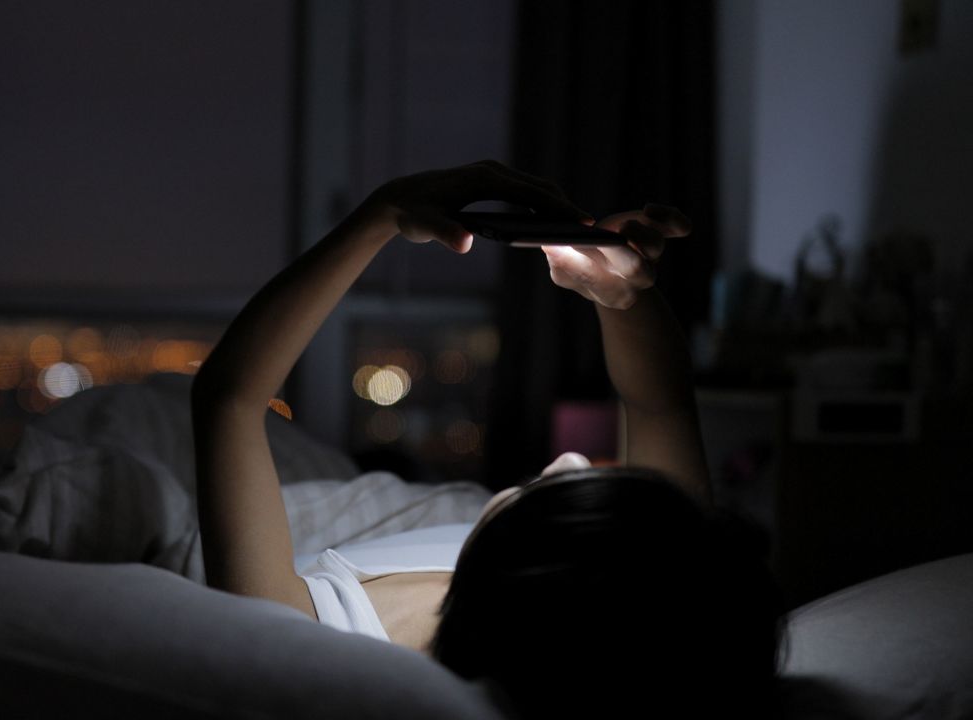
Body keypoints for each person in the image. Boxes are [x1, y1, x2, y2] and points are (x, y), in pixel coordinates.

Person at [191, 161, 784, 718]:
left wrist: (381, 217)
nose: (574, 457)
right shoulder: (661, 588)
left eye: (574, 496)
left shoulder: (314, 647)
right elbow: (661, 405)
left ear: (534, 599)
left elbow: (229, 401)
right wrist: (622, 295)